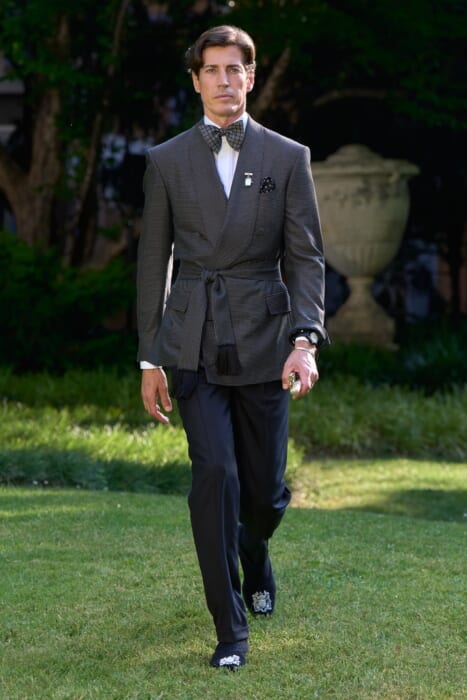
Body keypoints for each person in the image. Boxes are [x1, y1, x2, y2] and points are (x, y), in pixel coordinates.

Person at [137, 24, 328, 670]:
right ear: (195, 81)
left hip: (266, 341)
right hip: (192, 340)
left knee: (265, 492)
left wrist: (305, 340)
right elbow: (153, 263)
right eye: (211, 69)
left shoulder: (287, 157)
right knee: (215, 474)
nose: (224, 80)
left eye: (234, 69)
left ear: (250, 76)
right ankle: (230, 629)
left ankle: (256, 547)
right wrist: (150, 357)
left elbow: (305, 258)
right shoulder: (165, 161)